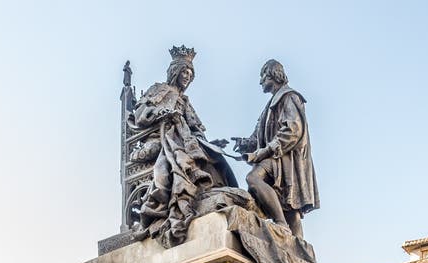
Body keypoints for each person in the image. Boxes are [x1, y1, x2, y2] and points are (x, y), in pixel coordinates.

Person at [130, 45, 237, 247]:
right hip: (159, 137)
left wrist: (211, 143)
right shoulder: (160, 90)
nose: (187, 76)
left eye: (190, 73)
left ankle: (207, 192)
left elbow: (195, 129)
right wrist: (162, 115)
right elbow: (140, 115)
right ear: (175, 72)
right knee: (180, 155)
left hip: (183, 141)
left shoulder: (186, 102)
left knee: (214, 155)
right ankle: (180, 198)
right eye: (184, 72)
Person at [232, 59, 319, 237]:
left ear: (273, 74)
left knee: (253, 178)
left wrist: (264, 152)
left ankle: (280, 224)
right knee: (290, 209)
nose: (260, 81)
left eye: (262, 76)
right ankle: (301, 251)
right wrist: (243, 144)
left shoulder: (289, 97)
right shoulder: (269, 107)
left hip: (285, 158)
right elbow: (257, 138)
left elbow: (293, 130)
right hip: (276, 157)